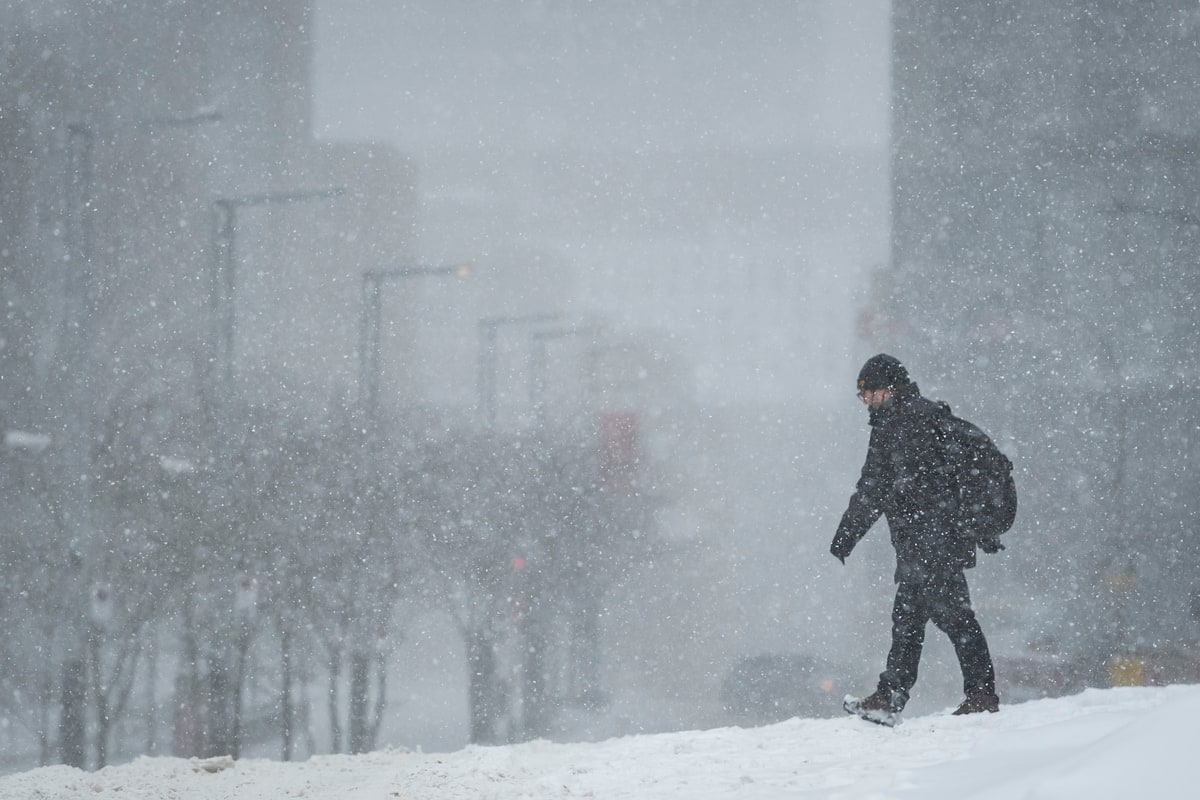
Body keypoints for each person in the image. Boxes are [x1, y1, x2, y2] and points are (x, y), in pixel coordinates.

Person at [831, 353, 999, 721]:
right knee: (909, 618)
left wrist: (847, 534)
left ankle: (980, 695)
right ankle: (892, 696)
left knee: (952, 619)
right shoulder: (915, 417)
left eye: (868, 395)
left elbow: (875, 488)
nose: (866, 404)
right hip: (930, 540)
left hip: (931, 542)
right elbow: (887, 487)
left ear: (887, 390)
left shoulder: (904, 423)